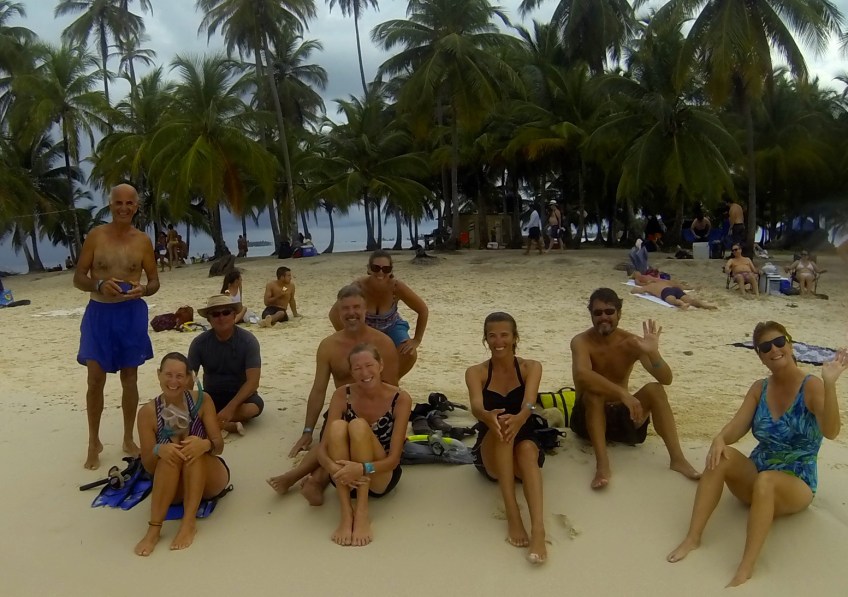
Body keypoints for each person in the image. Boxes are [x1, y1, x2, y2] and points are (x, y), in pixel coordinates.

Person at [667, 322, 847, 587]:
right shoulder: (759, 388)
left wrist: (830, 385)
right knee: (722, 455)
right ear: (760, 356)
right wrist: (720, 438)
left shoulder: (811, 386)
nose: (774, 349)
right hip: (757, 473)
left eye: (779, 342)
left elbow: (831, 431)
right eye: (765, 347)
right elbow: (737, 426)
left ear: (790, 345)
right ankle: (693, 537)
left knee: (767, 481)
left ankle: (746, 566)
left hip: (796, 481)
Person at [266, 285, 399, 502]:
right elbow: (319, 389)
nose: (351, 313)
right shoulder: (328, 346)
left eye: (356, 307)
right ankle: (305, 479)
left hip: (374, 412)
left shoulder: (383, 343)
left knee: (345, 442)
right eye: (345, 308)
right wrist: (308, 430)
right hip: (342, 408)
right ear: (338, 311)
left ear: (365, 309)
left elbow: (393, 388)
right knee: (334, 437)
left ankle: (310, 479)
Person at [570, 288, 700, 489]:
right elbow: (582, 374)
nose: (604, 317)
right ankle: (602, 466)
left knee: (655, 389)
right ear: (591, 315)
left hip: (622, 420)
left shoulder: (631, 343)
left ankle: (678, 459)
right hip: (587, 420)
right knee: (594, 393)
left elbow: (666, 379)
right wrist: (623, 393)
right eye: (598, 313)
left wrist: (654, 353)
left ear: (619, 313)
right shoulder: (581, 341)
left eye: (609, 311)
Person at [74, 183, 159, 470]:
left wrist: (144, 289)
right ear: (110, 205)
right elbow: (78, 277)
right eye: (118, 202)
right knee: (95, 379)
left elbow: (154, 281)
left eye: (129, 203)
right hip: (99, 313)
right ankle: (93, 442)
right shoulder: (96, 236)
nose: (124, 208)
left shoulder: (143, 241)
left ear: (136, 206)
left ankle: (127, 437)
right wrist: (98, 284)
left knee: (130, 378)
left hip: (130, 314)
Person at [466, 312, 547, 564]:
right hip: (491, 451)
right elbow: (476, 406)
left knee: (526, 449)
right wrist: (487, 416)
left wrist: (522, 416)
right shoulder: (476, 372)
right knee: (502, 425)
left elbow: (530, 402)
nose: (498, 341)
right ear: (485, 339)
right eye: (492, 336)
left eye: (504, 335)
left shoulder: (531, 367)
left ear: (514, 337)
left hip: (524, 446)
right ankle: (513, 515)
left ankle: (538, 530)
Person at [133, 352, 229, 557]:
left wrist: (204, 444)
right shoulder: (148, 413)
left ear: (188, 378)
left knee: (193, 450)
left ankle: (188, 523)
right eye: (168, 375)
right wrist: (159, 449)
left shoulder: (202, 400)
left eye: (179, 376)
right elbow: (148, 464)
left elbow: (219, 446)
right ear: (158, 375)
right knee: (169, 456)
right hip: (174, 486)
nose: (173, 381)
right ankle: (154, 529)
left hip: (208, 478)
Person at [317, 344, 412, 546]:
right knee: (337, 427)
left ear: (380, 365)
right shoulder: (342, 395)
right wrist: (333, 468)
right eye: (357, 368)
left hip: (378, 475)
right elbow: (322, 450)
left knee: (358, 426)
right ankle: (346, 513)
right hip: (344, 477)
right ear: (351, 372)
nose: (364, 373)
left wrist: (361, 468)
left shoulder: (400, 398)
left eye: (369, 365)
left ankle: (362, 512)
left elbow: (394, 460)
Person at [328, 250, 428, 379]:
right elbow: (334, 314)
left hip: (392, 326)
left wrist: (417, 340)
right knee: (355, 356)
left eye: (386, 269)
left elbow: (423, 310)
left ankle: (389, 381)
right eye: (376, 268)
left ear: (390, 271)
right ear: (369, 269)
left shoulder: (396, 287)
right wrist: (348, 335)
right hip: (366, 328)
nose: (381, 273)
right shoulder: (359, 287)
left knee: (409, 353)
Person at [188, 294, 263, 435]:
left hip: (241, 397)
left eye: (226, 312)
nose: (221, 317)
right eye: (215, 314)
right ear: (209, 319)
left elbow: (253, 382)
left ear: (234, 315)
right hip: (211, 396)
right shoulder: (199, 344)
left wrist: (230, 408)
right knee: (189, 407)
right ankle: (225, 425)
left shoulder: (248, 341)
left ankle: (211, 422)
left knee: (252, 409)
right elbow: (189, 378)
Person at [630, 275, 717, 310]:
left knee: (672, 300)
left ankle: (682, 304)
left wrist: (640, 288)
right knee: (690, 300)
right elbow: (676, 284)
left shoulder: (649, 286)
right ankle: (704, 305)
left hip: (665, 291)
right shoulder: (662, 282)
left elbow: (635, 290)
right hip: (674, 289)